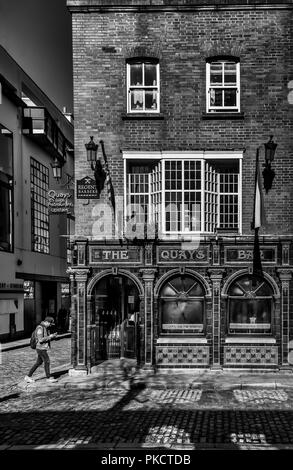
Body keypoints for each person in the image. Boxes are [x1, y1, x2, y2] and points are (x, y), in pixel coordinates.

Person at [24, 316, 58, 383]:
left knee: (38, 362)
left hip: (42, 348)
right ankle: (48, 377)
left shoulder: (45, 328)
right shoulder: (40, 328)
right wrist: (50, 337)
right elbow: (40, 340)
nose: (50, 325)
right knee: (47, 361)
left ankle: (28, 376)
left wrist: (52, 336)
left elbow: (45, 337)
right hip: (40, 348)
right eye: (50, 324)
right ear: (47, 322)